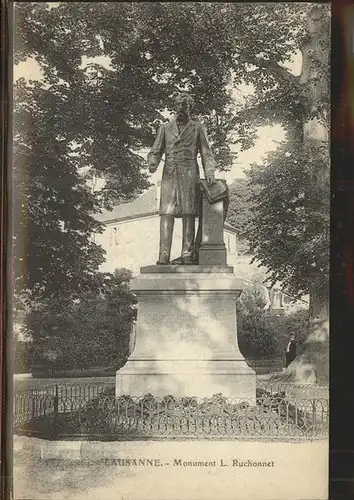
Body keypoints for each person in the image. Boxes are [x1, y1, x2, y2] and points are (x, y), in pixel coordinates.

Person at [147, 93, 216, 265]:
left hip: (189, 171)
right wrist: (153, 162)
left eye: (184, 105)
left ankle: (187, 252)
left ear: (189, 108)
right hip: (170, 171)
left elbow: (206, 152)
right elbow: (156, 150)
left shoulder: (198, 128)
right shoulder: (164, 128)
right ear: (174, 107)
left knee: (188, 213)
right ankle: (163, 254)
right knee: (166, 213)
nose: (181, 108)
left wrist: (210, 171)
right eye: (178, 105)